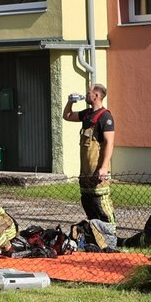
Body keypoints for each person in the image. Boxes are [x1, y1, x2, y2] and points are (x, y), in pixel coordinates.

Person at [62, 83, 116, 222]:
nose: (86, 95)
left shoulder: (105, 117)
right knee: (88, 202)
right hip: (85, 169)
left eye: (88, 93)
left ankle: (111, 233)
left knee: (100, 204)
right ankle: (95, 234)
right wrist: (70, 102)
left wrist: (103, 168)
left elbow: (109, 143)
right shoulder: (87, 114)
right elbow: (67, 116)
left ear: (96, 96)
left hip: (97, 168)